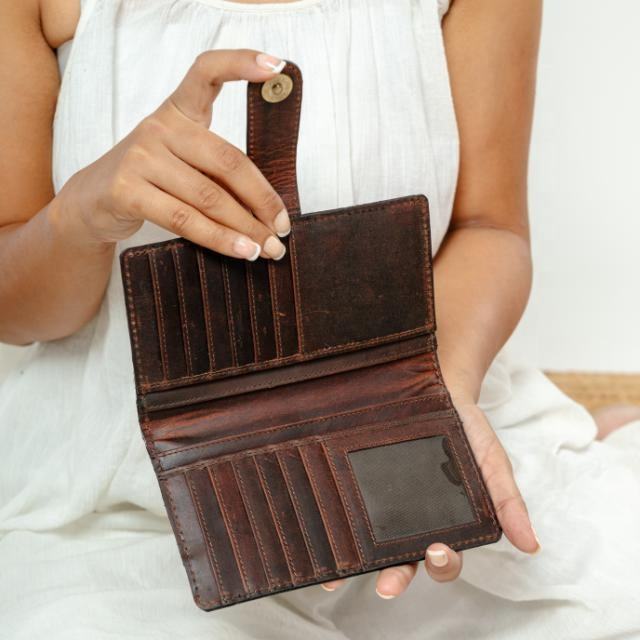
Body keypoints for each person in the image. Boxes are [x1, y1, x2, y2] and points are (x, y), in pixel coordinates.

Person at [0, 0, 638, 638]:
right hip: (129, 499)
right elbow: (15, 310)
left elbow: (488, 226)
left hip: (417, 436)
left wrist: (421, 397)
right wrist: (78, 216)